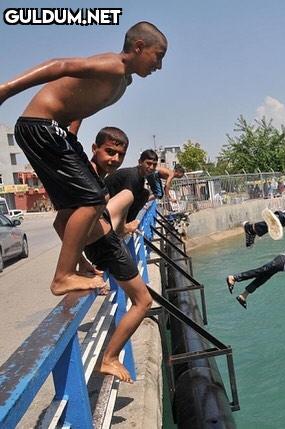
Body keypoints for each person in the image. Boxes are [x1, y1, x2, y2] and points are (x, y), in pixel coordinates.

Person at [0, 21, 167, 295]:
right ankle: (62, 276)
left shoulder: (122, 80)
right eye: (158, 56)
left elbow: (81, 105)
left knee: (79, 205)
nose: (159, 65)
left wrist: (72, 142)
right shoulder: (113, 66)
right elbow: (60, 66)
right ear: (139, 47)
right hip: (41, 126)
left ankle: (78, 265)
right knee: (92, 199)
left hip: (54, 132)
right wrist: (7, 89)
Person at [84, 126, 153, 383]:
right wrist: (78, 265)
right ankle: (109, 357)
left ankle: (123, 227)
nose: (114, 159)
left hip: (104, 234)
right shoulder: (86, 179)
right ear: (94, 148)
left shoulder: (96, 175)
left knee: (126, 195)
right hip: (106, 246)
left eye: (119, 154)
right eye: (109, 152)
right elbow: (62, 223)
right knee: (143, 302)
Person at [105, 149, 158, 236]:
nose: (151, 167)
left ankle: (127, 225)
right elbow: (126, 203)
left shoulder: (140, 178)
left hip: (113, 208)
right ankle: (123, 229)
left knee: (145, 194)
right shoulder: (133, 176)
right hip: (105, 208)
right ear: (140, 162)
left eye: (154, 165)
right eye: (148, 163)